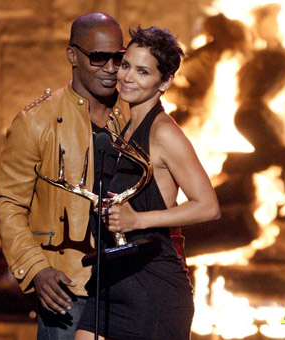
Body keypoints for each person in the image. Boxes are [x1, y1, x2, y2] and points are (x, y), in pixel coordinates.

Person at [75, 26, 221, 340]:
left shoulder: (163, 132)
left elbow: (208, 206)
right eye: (126, 65)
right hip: (110, 280)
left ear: (164, 82)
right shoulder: (124, 128)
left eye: (143, 71)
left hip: (152, 286)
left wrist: (139, 218)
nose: (127, 77)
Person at [0, 12, 130, 340]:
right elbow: (9, 203)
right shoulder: (36, 121)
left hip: (128, 288)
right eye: (98, 58)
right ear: (73, 56)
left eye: (118, 57)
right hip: (68, 290)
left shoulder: (133, 117)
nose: (110, 68)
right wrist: (36, 268)